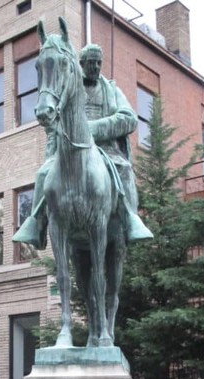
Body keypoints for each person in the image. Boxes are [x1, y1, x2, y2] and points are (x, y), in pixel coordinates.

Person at [13, 43, 152, 249]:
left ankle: (130, 218)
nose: (95, 67)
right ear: (82, 64)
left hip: (106, 150)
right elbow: (53, 121)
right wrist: (53, 149)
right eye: (91, 63)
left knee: (124, 170)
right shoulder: (68, 89)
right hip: (70, 148)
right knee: (43, 174)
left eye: (98, 63)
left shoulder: (111, 89)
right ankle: (37, 224)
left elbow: (128, 119)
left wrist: (92, 128)